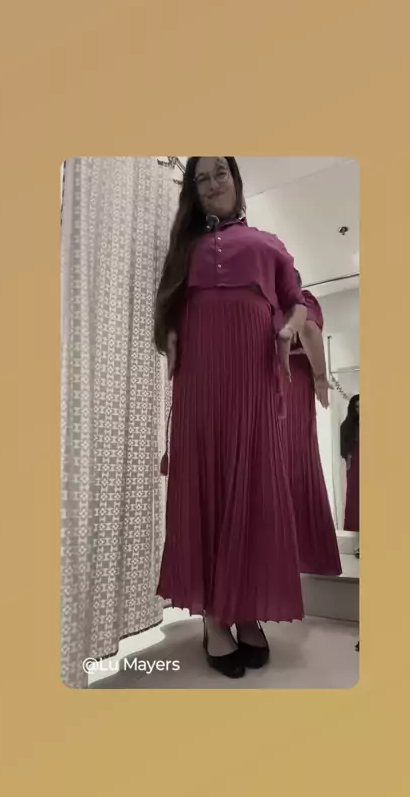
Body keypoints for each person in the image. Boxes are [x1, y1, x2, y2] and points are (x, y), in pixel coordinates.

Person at [154, 156, 308, 678]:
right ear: (194, 192)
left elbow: (296, 302)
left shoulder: (268, 244)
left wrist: (288, 328)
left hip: (253, 378)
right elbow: (167, 313)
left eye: (220, 172)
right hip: (200, 380)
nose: (213, 183)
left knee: (254, 486)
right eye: (202, 178)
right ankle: (214, 619)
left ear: (237, 180)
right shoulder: (184, 250)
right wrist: (168, 332)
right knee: (207, 483)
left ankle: (246, 610)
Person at [282, 273, 342, 576]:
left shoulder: (266, 306)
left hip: (268, 387)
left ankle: (276, 555)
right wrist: (320, 377)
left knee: (272, 467)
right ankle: (307, 554)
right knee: (298, 461)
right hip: (293, 383)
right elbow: (308, 328)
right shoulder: (302, 301)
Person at [340, 394, 360, 532]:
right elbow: (343, 447)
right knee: (354, 495)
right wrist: (347, 456)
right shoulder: (347, 426)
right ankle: (354, 528)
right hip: (355, 463)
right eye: (357, 407)